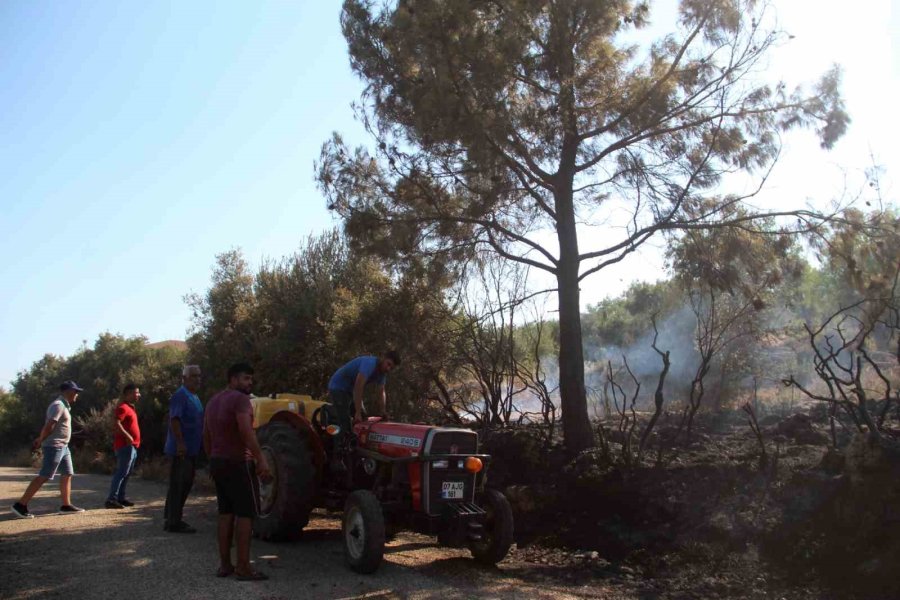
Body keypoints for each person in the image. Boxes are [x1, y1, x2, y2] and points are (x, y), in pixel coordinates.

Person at [203, 362, 272, 581]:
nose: (249, 383)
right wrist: (260, 458)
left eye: (251, 379)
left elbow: (206, 434)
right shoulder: (241, 400)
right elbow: (245, 430)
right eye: (245, 379)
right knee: (246, 514)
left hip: (218, 462)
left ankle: (225, 565)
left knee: (225, 513)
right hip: (238, 463)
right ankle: (243, 567)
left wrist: (212, 458)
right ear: (232, 379)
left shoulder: (213, 401)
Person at [10, 380, 85, 518]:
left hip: (64, 446)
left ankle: (66, 505)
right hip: (54, 446)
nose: (77, 395)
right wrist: (40, 439)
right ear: (68, 391)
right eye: (76, 392)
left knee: (68, 473)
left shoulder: (64, 406)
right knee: (45, 475)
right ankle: (20, 505)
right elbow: (50, 425)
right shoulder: (58, 405)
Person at [326, 351, 400, 470]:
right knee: (344, 422)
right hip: (338, 387)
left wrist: (383, 411)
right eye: (388, 364)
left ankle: (356, 451)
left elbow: (381, 392)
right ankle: (336, 459)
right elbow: (358, 386)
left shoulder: (382, 374)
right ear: (383, 358)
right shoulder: (369, 363)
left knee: (364, 421)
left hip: (349, 391)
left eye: (392, 368)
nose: (388, 368)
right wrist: (357, 412)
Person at [163, 365, 204, 533]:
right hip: (181, 450)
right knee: (179, 484)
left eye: (199, 376)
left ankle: (171, 518)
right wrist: (180, 443)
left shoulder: (194, 396)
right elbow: (175, 420)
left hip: (191, 449)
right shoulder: (180, 395)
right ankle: (174, 521)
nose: (197, 379)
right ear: (184, 378)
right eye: (193, 376)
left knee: (184, 484)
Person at [105, 383, 141, 509]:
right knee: (121, 472)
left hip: (132, 446)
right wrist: (127, 436)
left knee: (127, 473)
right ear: (128, 394)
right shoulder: (123, 407)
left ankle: (120, 498)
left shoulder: (130, 408)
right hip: (125, 446)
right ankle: (111, 499)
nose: (139, 395)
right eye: (136, 392)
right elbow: (116, 422)